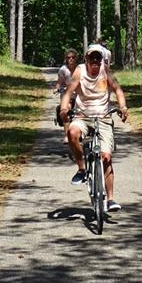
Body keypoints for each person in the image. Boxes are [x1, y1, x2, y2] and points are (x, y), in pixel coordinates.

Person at [60, 43, 129, 212]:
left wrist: (123, 107)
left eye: (98, 57)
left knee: (106, 157)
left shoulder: (106, 71)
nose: (95, 61)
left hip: (103, 118)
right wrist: (64, 109)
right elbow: (69, 92)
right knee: (72, 132)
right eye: (92, 58)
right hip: (83, 116)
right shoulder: (80, 71)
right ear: (86, 59)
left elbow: (118, 90)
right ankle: (82, 169)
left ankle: (111, 199)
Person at [54, 49, 79, 143]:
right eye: (69, 57)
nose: (71, 59)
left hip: (79, 96)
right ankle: (67, 135)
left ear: (76, 58)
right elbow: (59, 82)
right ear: (66, 59)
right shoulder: (63, 70)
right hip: (67, 96)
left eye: (73, 57)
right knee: (65, 110)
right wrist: (57, 88)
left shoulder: (80, 68)